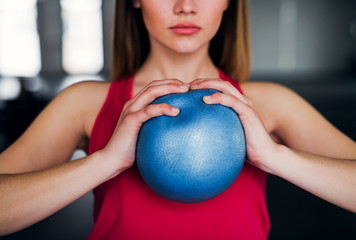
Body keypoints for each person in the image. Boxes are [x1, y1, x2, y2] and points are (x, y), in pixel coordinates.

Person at [0, 0, 355, 238]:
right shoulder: (83, 104)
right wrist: (106, 161)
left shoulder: (270, 102)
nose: (186, 6)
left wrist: (276, 157)